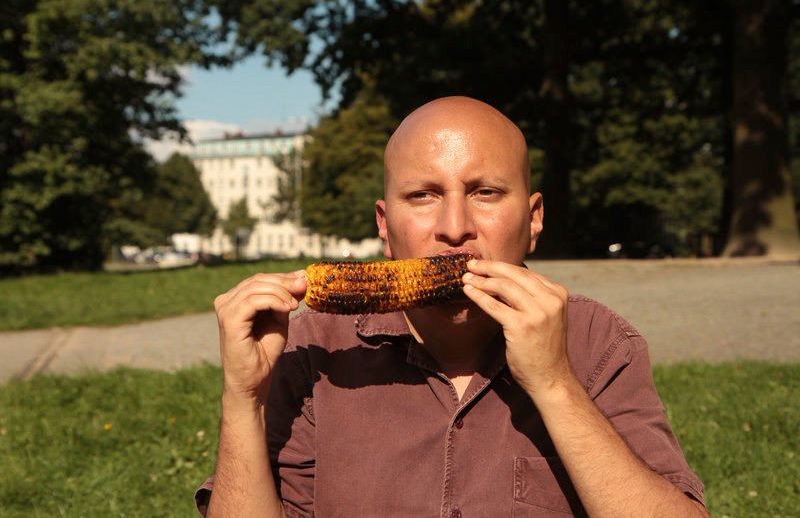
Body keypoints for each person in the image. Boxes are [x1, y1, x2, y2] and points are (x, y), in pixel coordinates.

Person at [196, 96, 707, 517]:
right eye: (422, 195)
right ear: (383, 226)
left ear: (533, 219)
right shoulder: (310, 351)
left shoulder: (596, 341)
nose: (455, 227)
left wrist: (554, 384)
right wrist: (244, 399)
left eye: (485, 192)